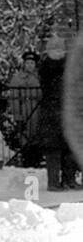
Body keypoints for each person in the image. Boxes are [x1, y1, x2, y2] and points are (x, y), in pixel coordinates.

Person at [37, 33, 78, 190]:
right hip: (52, 115)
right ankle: (53, 182)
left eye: (60, 49)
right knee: (53, 151)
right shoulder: (47, 67)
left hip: (66, 114)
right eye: (54, 49)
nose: (58, 52)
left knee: (70, 148)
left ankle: (69, 179)